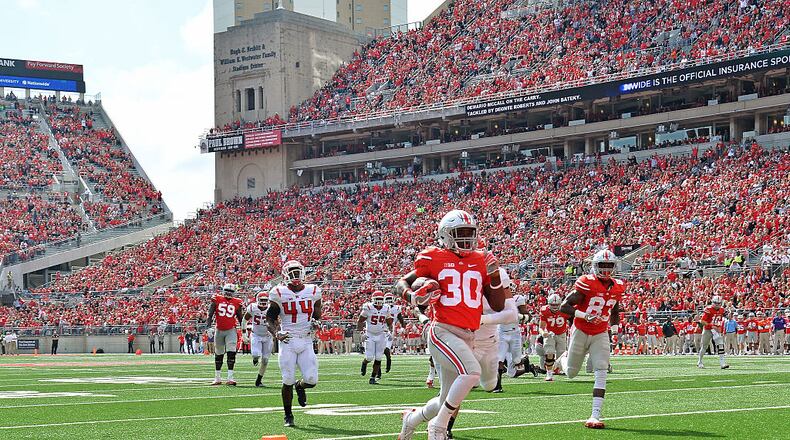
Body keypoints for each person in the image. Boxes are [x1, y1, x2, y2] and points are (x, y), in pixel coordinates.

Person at [395, 209, 505, 440]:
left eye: (470, 233)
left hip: (468, 334)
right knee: (472, 372)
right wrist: (411, 296)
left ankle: (411, 419)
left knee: (446, 397)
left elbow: (497, 305)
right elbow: (402, 282)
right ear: (445, 234)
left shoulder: (481, 260)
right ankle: (438, 427)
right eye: (460, 233)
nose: (466, 238)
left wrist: (494, 276)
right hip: (443, 330)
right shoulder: (432, 257)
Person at [558, 249, 625, 429]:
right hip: (580, 330)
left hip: (600, 332)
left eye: (609, 265)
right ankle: (563, 359)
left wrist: (615, 329)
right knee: (571, 373)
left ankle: (595, 414)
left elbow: (615, 309)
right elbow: (564, 307)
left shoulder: (618, 286)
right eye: (602, 265)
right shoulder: (586, 283)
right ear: (595, 266)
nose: (605, 269)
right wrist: (584, 315)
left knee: (602, 368)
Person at [266, 260, 322, 428]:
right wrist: (277, 333)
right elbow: (269, 318)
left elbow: (317, 315)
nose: (295, 275)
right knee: (287, 379)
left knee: (312, 380)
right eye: (292, 272)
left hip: (305, 339)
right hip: (288, 339)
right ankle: (288, 414)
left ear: (303, 273)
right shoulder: (278, 292)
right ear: (285, 274)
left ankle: (301, 386)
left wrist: (316, 323)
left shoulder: (313, 290)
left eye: (297, 272)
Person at [206, 283, 244, 386]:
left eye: (231, 292)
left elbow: (241, 318)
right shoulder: (217, 299)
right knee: (219, 354)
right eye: (227, 291)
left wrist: (244, 331)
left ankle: (230, 378)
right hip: (219, 330)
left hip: (231, 330)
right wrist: (208, 327)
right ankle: (217, 378)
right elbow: (210, 314)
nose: (228, 293)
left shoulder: (237, 302)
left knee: (231, 353)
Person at [357, 290, 393, 384]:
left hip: (381, 334)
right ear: (373, 299)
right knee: (369, 357)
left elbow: (389, 322)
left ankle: (372, 377)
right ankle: (364, 363)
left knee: (378, 357)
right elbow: (360, 321)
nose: (379, 301)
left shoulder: (386, 308)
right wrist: (361, 332)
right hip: (369, 334)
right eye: (377, 299)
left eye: (381, 299)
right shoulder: (368, 307)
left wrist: (390, 331)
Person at [496, 288, 529, 381]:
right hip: (501, 332)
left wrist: (520, 316)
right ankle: (498, 385)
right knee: (499, 359)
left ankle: (524, 361)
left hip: (514, 333)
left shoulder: (518, 299)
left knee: (516, 362)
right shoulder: (497, 300)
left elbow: (527, 316)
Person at [243, 291, 273, 387]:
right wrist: (244, 334)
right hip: (256, 334)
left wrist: (275, 330)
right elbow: (244, 320)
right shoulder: (252, 307)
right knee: (256, 355)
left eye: (265, 300)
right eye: (262, 300)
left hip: (267, 335)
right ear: (257, 300)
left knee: (265, 360)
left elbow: (277, 321)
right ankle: (255, 359)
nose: (264, 302)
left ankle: (258, 380)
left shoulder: (271, 308)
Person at [539, 293, 569, 381]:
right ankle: (549, 374)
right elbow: (541, 327)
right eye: (553, 305)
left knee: (561, 355)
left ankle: (555, 368)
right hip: (550, 334)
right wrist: (543, 333)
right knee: (549, 352)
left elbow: (572, 320)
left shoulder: (565, 309)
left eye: (557, 305)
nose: (555, 307)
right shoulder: (545, 311)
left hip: (561, 334)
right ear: (549, 304)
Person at [697, 295, 729, 369]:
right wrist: (711, 326)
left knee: (721, 345)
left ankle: (722, 363)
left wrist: (719, 327)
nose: (717, 305)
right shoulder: (708, 309)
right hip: (708, 329)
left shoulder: (721, 310)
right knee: (704, 346)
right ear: (712, 302)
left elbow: (721, 319)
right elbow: (702, 321)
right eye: (716, 303)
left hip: (716, 329)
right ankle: (700, 361)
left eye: (719, 303)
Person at [384, 292, 406, 372]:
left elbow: (401, 319)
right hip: (380, 329)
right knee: (378, 351)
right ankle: (377, 371)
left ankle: (388, 363)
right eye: (387, 299)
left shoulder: (396, 308)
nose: (389, 301)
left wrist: (403, 327)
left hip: (389, 331)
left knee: (386, 350)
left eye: (390, 299)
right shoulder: (381, 308)